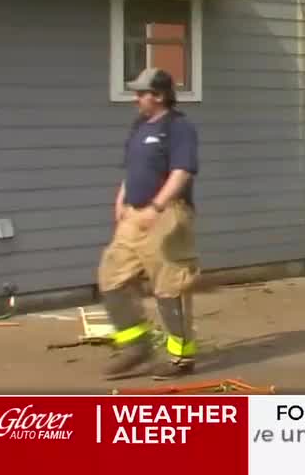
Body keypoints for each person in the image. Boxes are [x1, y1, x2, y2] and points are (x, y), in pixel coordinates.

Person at [98, 67, 202, 379]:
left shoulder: (179, 128)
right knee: (111, 277)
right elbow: (133, 169)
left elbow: (182, 171)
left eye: (142, 94)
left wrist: (156, 207)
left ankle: (180, 358)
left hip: (167, 214)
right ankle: (136, 345)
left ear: (159, 96)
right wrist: (121, 199)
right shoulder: (140, 125)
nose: (136, 99)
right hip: (133, 214)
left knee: (170, 286)